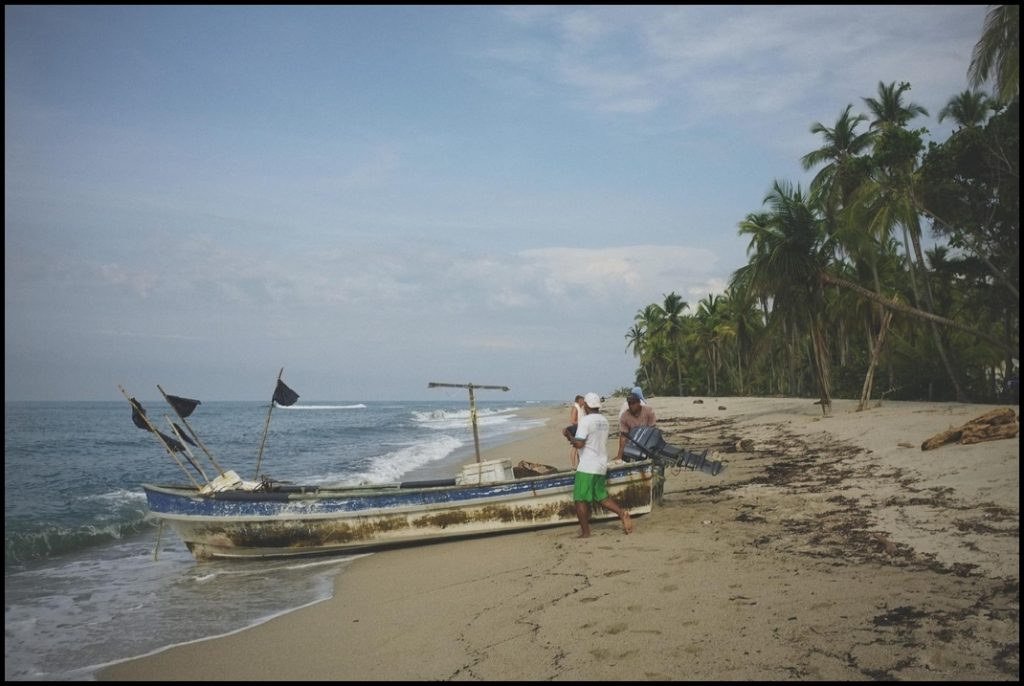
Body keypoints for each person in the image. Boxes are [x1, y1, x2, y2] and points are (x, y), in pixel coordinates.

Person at [562, 392, 635, 538]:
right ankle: (622, 513)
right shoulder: (604, 421)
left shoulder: (586, 421)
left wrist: (568, 435)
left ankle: (586, 532)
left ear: (586, 406)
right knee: (600, 496)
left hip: (587, 465)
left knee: (579, 499)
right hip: (601, 463)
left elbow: (579, 443)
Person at [615, 392, 657, 461]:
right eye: (629, 404)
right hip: (632, 444)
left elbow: (652, 430)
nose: (631, 406)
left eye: (633, 403)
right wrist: (619, 455)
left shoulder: (649, 411)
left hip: (647, 442)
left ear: (639, 403)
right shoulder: (624, 416)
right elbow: (623, 437)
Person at [568, 395, 585, 469]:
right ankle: (573, 465)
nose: (584, 402)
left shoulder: (581, 408)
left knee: (579, 448)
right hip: (576, 429)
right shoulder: (575, 408)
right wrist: (582, 423)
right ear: (579, 401)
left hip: (580, 429)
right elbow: (572, 421)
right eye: (582, 401)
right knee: (575, 448)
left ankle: (579, 464)